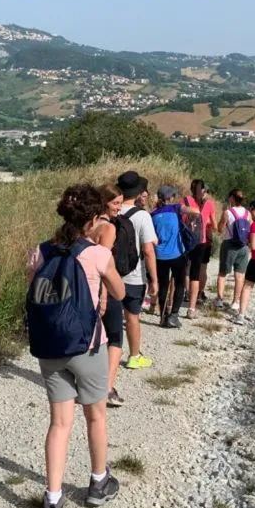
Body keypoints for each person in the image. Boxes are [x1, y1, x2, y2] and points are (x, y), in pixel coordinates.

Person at [28, 184, 126, 508]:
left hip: (51, 347)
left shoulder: (41, 251)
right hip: (88, 345)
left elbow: (34, 286)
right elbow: (119, 291)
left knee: (59, 423)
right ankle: (98, 483)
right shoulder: (97, 254)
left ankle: (52, 501)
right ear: (91, 220)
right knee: (96, 416)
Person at [115, 171, 158, 369]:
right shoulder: (142, 216)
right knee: (132, 317)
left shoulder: (110, 211)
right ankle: (134, 356)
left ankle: (105, 356)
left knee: (109, 317)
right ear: (139, 191)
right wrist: (154, 279)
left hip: (110, 275)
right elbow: (148, 250)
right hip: (133, 276)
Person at [89, 183, 126, 407]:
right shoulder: (108, 229)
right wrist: (104, 295)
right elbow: (103, 263)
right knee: (115, 338)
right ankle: (107, 389)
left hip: (85, 287)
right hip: (103, 288)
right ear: (104, 203)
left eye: (121, 203)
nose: (119, 208)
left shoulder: (88, 225)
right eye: (115, 203)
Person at [151, 186, 201, 329]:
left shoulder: (152, 214)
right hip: (177, 254)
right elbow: (196, 212)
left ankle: (162, 317)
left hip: (159, 255)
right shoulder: (176, 208)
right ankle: (174, 316)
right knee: (179, 283)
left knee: (163, 285)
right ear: (171, 197)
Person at [182, 179, 217, 319]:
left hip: (186, 240)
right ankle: (191, 308)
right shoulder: (209, 204)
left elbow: (181, 219)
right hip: (201, 242)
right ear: (203, 190)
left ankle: (183, 294)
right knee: (197, 273)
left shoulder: (185, 201)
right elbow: (213, 225)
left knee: (185, 270)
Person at [215, 188, 251, 312]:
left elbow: (220, 229)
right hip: (243, 247)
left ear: (231, 198)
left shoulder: (228, 212)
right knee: (240, 276)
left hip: (229, 245)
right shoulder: (248, 213)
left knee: (223, 273)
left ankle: (220, 299)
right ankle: (236, 302)